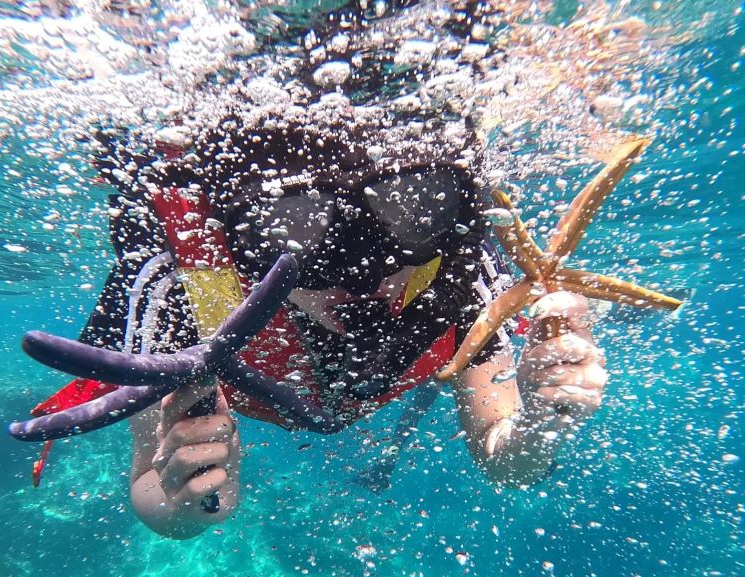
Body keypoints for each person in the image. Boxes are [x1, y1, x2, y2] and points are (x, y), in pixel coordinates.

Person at [65, 111, 608, 539]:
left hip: (401, 370)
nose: (363, 271)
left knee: (442, 368)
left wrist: (543, 416)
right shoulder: (185, 285)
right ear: (237, 231)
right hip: (270, 385)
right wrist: (188, 505)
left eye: (416, 209)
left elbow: (505, 460)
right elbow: (147, 482)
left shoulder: (464, 279)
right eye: (293, 227)